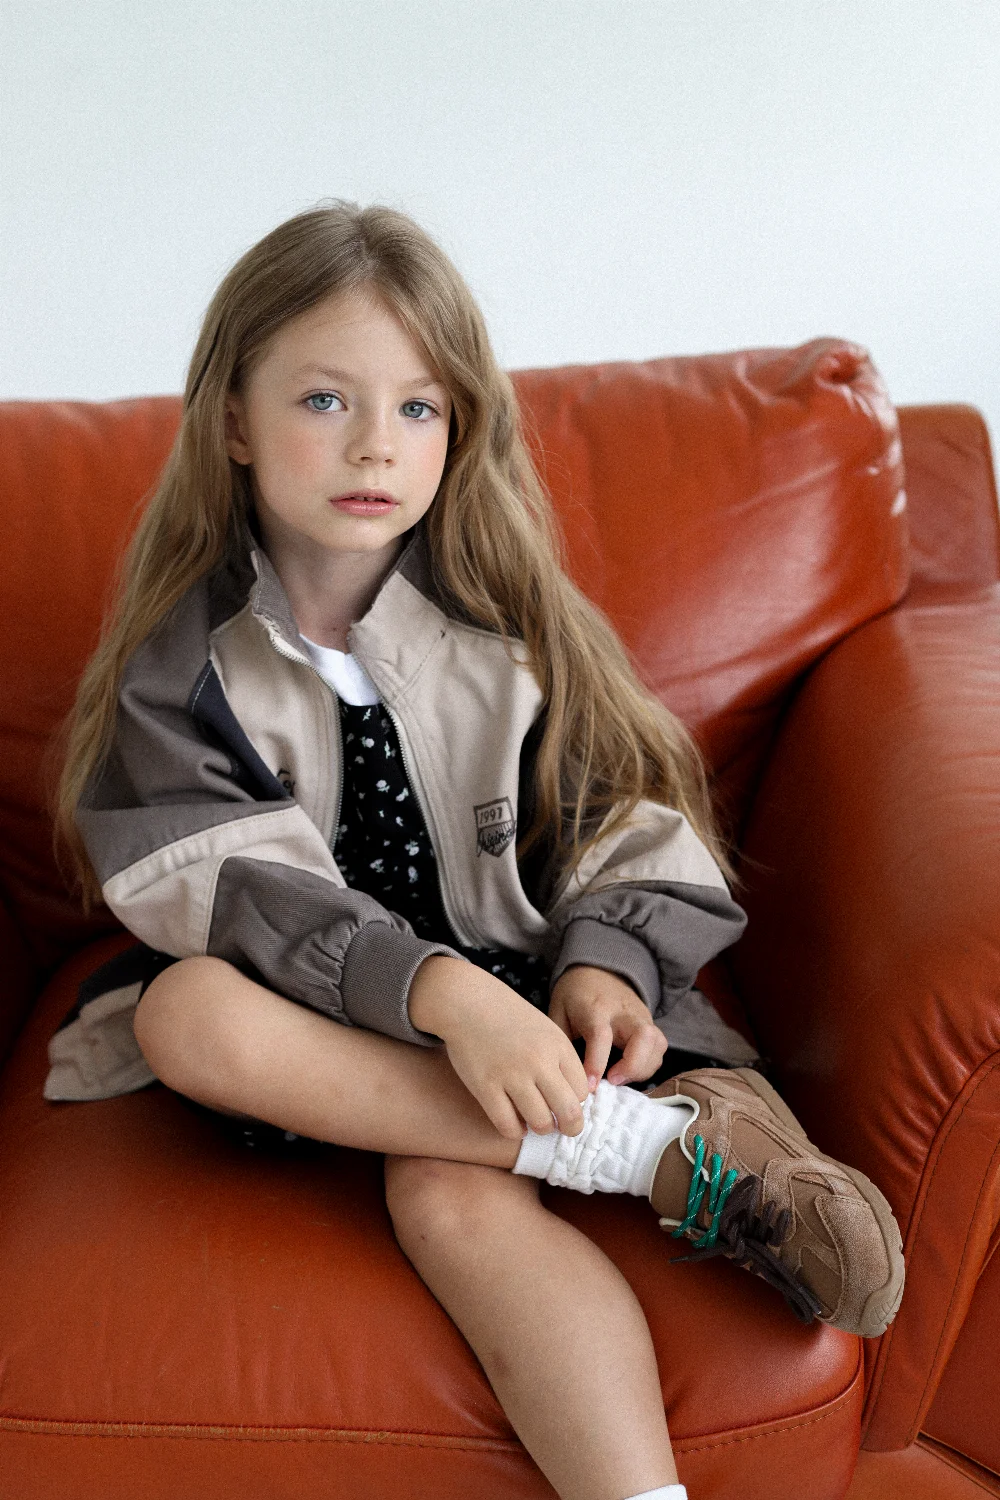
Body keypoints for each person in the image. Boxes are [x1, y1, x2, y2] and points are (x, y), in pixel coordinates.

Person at [50, 201, 904, 1500]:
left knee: (445, 1196)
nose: (375, 445)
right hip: (328, 1021)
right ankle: (639, 1150)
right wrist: (441, 1000)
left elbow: (628, 806)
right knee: (183, 1014)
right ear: (233, 421)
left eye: (419, 408)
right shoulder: (187, 668)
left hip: (530, 991)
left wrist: (606, 967)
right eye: (325, 400)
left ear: (460, 429)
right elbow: (225, 888)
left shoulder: (510, 625)